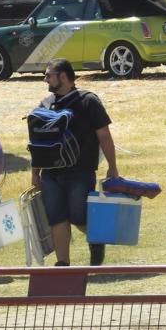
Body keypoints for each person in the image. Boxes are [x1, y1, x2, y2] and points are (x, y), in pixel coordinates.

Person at [32, 58, 119, 266]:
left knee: (78, 216)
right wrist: (35, 173)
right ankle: (63, 266)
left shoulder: (89, 101)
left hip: (81, 171)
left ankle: (96, 240)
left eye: (48, 75)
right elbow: (37, 141)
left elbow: (104, 135)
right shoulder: (45, 104)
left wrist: (113, 167)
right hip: (50, 174)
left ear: (63, 76)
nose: (45, 79)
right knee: (57, 218)